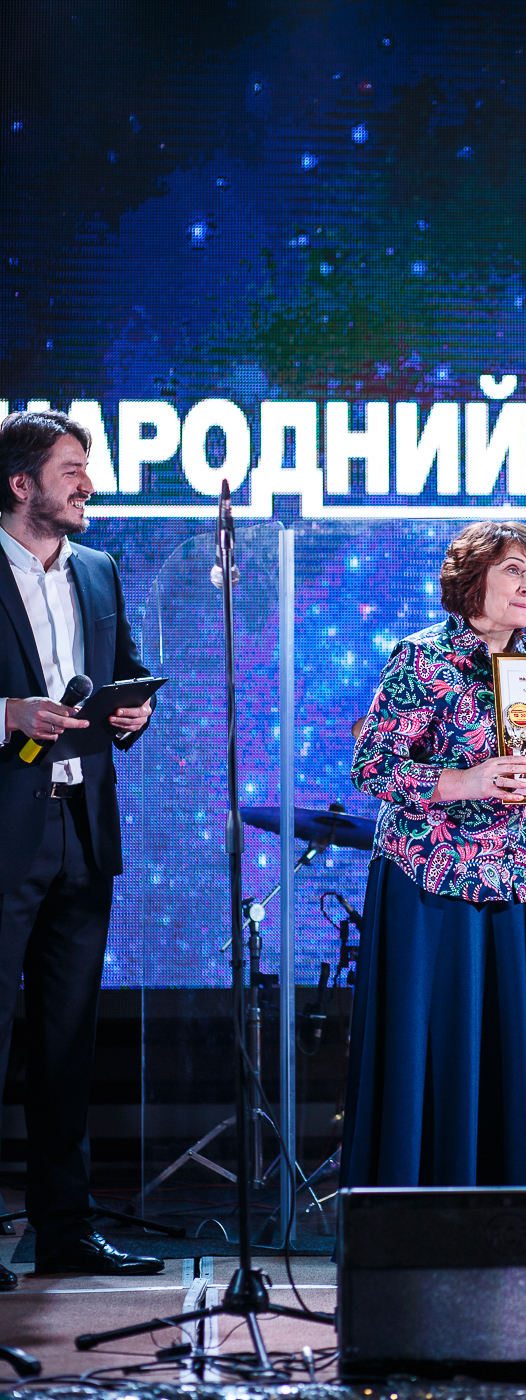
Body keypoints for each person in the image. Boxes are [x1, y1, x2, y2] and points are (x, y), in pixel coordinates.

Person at [340, 520, 526, 1186]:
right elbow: (371, 766)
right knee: (429, 1052)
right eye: (512, 570)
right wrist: (463, 781)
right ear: (471, 579)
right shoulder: (422, 658)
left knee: (508, 1055)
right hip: (430, 884)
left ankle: (512, 1212)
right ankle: (417, 1208)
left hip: (518, 883)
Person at [0, 410, 162, 1283]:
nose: (87, 485)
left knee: (67, 1044)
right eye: (71, 470)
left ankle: (65, 1229)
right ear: (22, 484)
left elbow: (124, 669)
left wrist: (135, 712)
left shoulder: (98, 570)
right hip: (4, 835)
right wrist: (7, 714)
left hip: (83, 831)